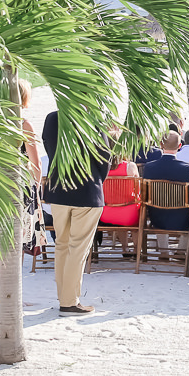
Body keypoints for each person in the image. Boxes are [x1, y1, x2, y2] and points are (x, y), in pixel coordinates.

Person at [42, 110, 113, 315]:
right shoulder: (93, 120)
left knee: (62, 245)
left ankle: (65, 296)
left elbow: (49, 146)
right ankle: (69, 301)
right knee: (77, 249)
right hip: (87, 190)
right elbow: (104, 160)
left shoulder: (53, 118)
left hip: (59, 188)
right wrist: (95, 180)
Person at [0, 82, 43, 303]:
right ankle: (10, 291)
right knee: (16, 238)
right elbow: (35, 164)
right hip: (18, 187)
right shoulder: (22, 124)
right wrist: (37, 187)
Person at [142, 131, 189, 257]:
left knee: (158, 207)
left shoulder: (149, 167)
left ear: (161, 144)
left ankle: (164, 251)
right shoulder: (187, 168)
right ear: (179, 146)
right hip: (181, 217)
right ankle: (181, 251)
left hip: (156, 216)